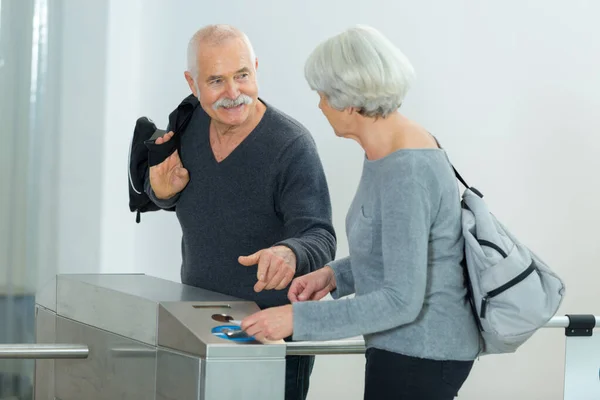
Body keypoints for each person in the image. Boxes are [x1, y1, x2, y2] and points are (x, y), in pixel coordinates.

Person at [241, 25, 481, 399]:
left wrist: (295, 319)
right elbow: (404, 250)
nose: (319, 105)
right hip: (404, 348)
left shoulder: (408, 168)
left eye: (322, 94)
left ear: (349, 100)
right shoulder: (386, 153)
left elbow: (401, 300)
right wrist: (334, 276)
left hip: (422, 354)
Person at [145, 24, 336, 400]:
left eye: (243, 76)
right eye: (216, 81)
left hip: (271, 334)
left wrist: (291, 251)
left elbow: (320, 236)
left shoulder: (291, 145)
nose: (233, 93)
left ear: (256, 68)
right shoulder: (186, 126)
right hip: (198, 326)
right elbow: (166, 192)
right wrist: (162, 194)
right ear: (192, 83)